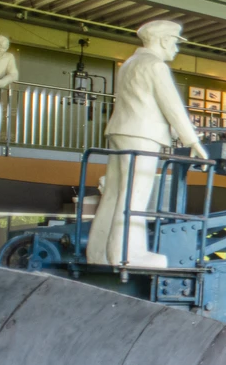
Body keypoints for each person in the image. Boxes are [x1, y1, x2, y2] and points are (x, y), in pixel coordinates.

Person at [87, 20, 207, 268]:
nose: (176, 49)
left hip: (121, 131)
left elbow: (147, 101)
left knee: (113, 194)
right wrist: (192, 140)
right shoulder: (155, 65)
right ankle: (128, 255)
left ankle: (98, 253)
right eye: (174, 42)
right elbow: (171, 105)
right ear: (163, 40)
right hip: (143, 135)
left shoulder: (130, 63)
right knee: (135, 196)